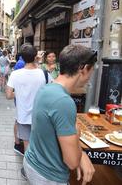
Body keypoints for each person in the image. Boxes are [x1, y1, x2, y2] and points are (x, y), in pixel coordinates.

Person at [24, 45, 96, 184]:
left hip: (34, 164)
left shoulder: (47, 88)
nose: (90, 78)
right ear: (84, 69)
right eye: (92, 71)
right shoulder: (63, 101)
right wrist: (81, 155)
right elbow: (72, 162)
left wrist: (79, 151)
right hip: (49, 176)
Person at [6, 43, 52, 177]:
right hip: (42, 117)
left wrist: (19, 93)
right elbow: (52, 90)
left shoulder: (15, 74)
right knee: (40, 145)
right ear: (35, 56)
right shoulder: (44, 73)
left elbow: (9, 95)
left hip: (23, 116)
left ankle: (28, 171)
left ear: (21, 57)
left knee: (27, 146)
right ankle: (41, 171)